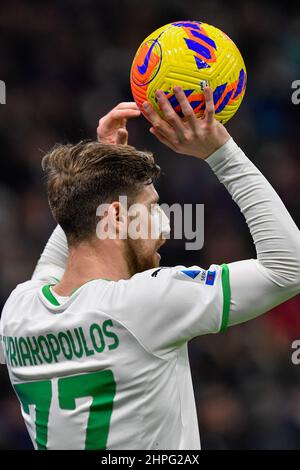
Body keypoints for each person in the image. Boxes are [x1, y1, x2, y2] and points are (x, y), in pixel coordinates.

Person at [0, 87, 300, 450]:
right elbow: (289, 267)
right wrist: (223, 153)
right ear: (114, 217)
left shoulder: (18, 311)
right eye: (153, 208)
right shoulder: (145, 303)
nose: (166, 226)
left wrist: (104, 164)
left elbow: (71, 231)